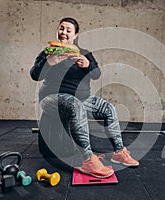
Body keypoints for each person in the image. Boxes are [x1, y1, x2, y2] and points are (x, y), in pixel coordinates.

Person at [30, 17, 139, 178]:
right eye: (61, 28)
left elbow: (97, 74)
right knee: (75, 106)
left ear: (75, 34)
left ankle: (119, 152)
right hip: (51, 98)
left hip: (82, 99)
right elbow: (34, 75)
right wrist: (49, 62)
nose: (64, 33)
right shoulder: (49, 51)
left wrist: (88, 65)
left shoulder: (84, 53)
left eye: (68, 30)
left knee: (108, 108)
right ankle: (88, 160)